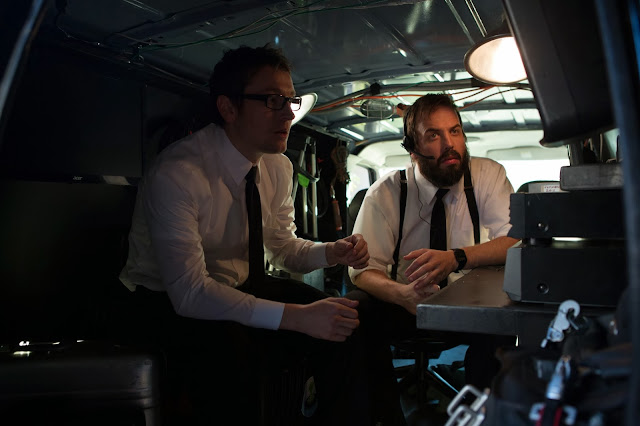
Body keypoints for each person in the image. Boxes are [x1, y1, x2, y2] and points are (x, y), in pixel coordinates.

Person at [119, 45, 371, 425]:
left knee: (345, 322)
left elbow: (281, 247)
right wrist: (296, 318)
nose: (289, 113)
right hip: (163, 301)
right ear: (228, 108)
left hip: (243, 284)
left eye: (290, 100)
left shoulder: (278, 167)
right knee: (233, 354)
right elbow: (189, 294)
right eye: (272, 100)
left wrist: (331, 252)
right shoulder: (179, 174)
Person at [348, 93, 519, 424]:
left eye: (455, 131)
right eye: (433, 135)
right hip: (405, 304)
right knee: (355, 310)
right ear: (413, 149)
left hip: (472, 306)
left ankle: (484, 415)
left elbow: (514, 240)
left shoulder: (487, 175)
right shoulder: (385, 192)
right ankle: (384, 417)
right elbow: (362, 270)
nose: (449, 144)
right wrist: (402, 294)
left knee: (504, 315)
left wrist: (457, 258)